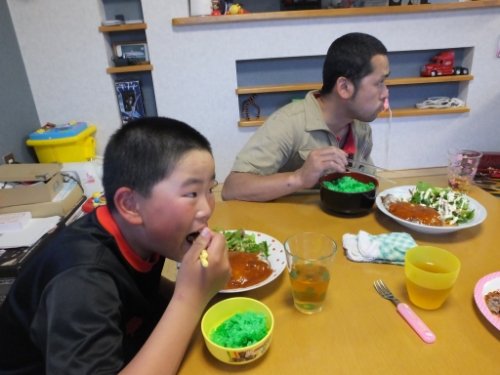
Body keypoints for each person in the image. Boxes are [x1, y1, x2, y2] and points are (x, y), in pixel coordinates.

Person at [0, 117, 231, 374]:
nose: (207, 208)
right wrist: (190, 298)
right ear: (131, 205)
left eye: (210, 189)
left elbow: (137, 289)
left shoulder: (142, 233)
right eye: (191, 194)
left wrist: (198, 288)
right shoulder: (80, 284)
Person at [222, 32, 390, 202]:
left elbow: (366, 185)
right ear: (344, 87)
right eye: (379, 83)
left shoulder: (361, 129)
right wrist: (299, 178)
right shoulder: (288, 123)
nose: (385, 93)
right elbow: (232, 188)